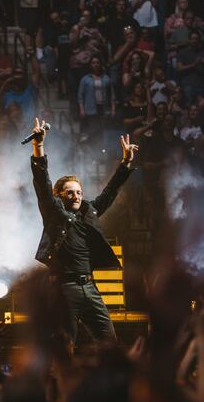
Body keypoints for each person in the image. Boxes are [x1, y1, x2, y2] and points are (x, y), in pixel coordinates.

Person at [30, 118, 137, 346]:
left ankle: (110, 381)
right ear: (59, 195)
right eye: (70, 193)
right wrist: (38, 147)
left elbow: (109, 192)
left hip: (89, 286)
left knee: (109, 343)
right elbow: (41, 182)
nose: (76, 196)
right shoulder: (53, 211)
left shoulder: (89, 211)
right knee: (64, 345)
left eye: (79, 192)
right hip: (63, 288)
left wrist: (125, 163)